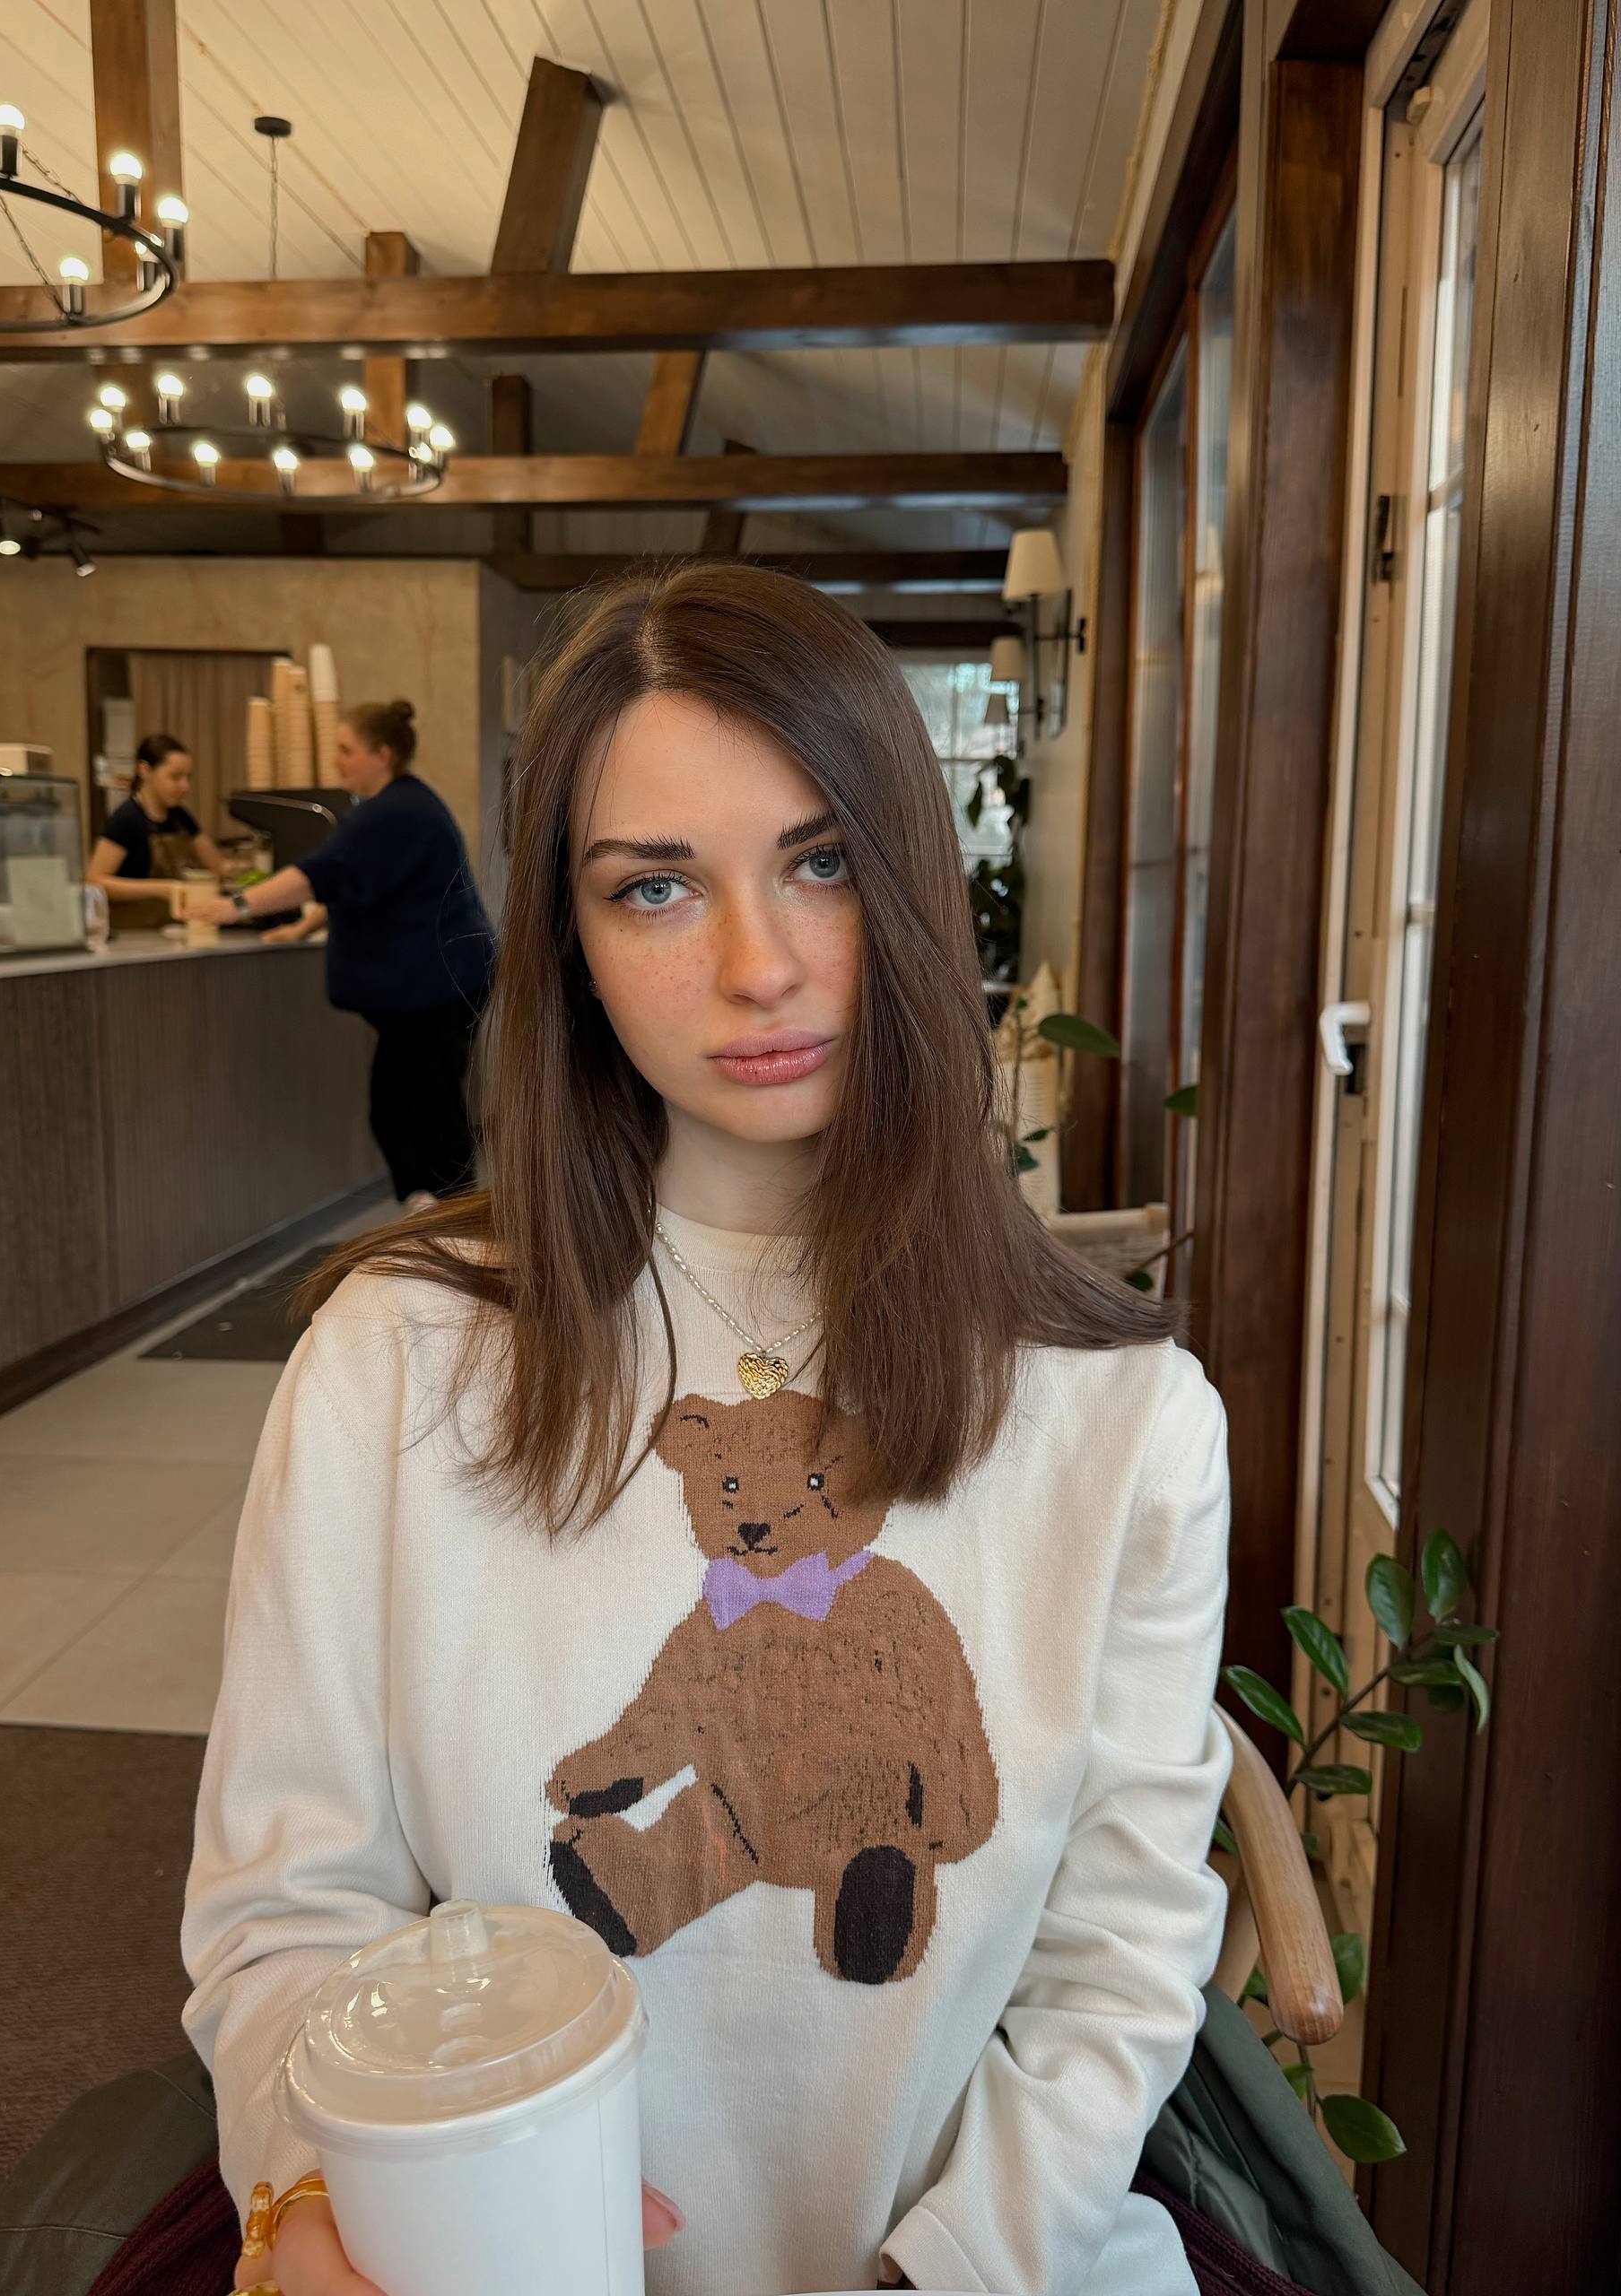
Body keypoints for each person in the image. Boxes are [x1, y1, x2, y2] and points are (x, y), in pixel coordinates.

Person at [182, 565, 1233, 2296]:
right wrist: (315, 2210)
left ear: (916, 876)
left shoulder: (1122, 1417)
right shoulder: (394, 1361)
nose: (759, 966)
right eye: (655, 887)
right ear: (572, 944)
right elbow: (290, 1905)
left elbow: (1113, 1970)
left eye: (822, 861)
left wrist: (943, 2274)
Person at [193, 700, 496, 1213]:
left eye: (346, 750)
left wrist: (234, 906)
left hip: (433, 989)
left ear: (383, 755)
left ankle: (453, 1222)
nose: (337, 761)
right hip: (438, 985)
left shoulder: (393, 811)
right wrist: (304, 925)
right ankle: (431, 1211)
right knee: (402, 1109)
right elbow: (360, 881)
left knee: (424, 1114)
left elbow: (320, 873)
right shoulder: (405, 805)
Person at [87, 734, 231, 913]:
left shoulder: (181, 817)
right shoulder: (126, 819)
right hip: (134, 927)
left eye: (188, 778)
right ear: (145, 771)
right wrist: (161, 889)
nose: (185, 786)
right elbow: (95, 881)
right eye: (175, 777)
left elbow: (217, 865)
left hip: (173, 923)